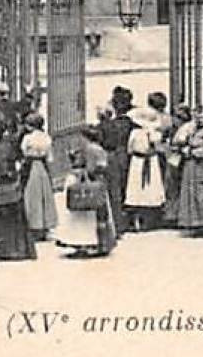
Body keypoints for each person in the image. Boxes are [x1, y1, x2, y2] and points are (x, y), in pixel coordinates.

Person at [55, 127, 117, 258]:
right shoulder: (99, 149)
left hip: (90, 182)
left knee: (84, 216)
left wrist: (74, 161)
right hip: (100, 182)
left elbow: (89, 168)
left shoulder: (89, 149)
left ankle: (84, 242)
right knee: (101, 212)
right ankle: (102, 242)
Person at [123, 107, 166, 231]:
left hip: (138, 161)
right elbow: (158, 147)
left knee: (137, 189)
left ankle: (137, 220)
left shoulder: (135, 133)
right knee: (150, 189)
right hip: (151, 161)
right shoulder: (156, 134)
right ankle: (149, 219)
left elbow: (129, 149)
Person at [17, 113, 57, 241]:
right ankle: (45, 225)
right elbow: (50, 157)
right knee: (45, 195)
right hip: (42, 167)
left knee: (31, 195)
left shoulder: (28, 138)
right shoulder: (46, 138)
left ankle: (34, 225)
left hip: (31, 165)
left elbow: (23, 151)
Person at [102, 87, 135, 233]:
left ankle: (118, 221)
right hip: (129, 155)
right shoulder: (132, 122)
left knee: (116, 188)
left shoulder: (113, 124)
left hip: (116, 156)